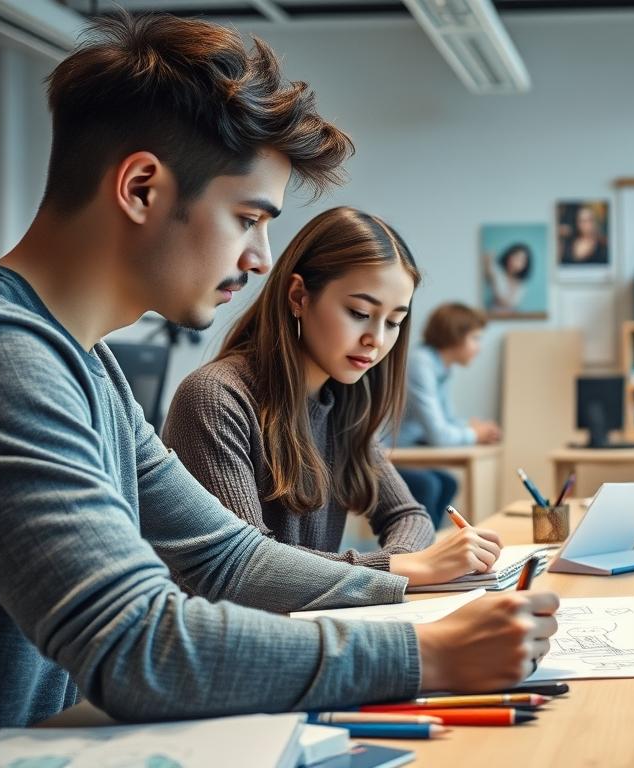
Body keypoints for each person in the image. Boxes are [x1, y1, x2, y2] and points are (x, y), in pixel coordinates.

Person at [0, 14, 555, 757]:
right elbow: (134, 643)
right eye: (248, 219)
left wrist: (408, 594)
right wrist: (426, 656)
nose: (263, 260)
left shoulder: (86, 363)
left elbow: (226, 557)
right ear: (142, 188)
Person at [163, 207, 504, 586]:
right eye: (359, 312)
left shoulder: (342, 402)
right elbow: (249, 570)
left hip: (314, 624)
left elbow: (408, 515)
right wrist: (401, 568)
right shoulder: (216, 398)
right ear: (298, 296)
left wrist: (407, 564)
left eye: (394, 322)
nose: (376, 339)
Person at [393, 302, 501, 526]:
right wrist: (473, 434)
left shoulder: (441, 367)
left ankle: (430, 545)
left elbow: (445, 419)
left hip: (409, 449)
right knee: (429, 484)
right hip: (386, 453)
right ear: (455, 336)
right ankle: (420, 551)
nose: (478, 348)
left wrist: (472, 428)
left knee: (448, 482)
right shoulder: (421, 362)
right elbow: (439, 435)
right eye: (475, 338)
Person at [484, 242, 532, 313]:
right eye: (515, 256)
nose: (517, 261)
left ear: (525, 264)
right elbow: (501, 300)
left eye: (521, 260)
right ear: (509, 256)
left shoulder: (522, 284)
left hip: (511, 319)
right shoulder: (497, 272)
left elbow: (512, 304)